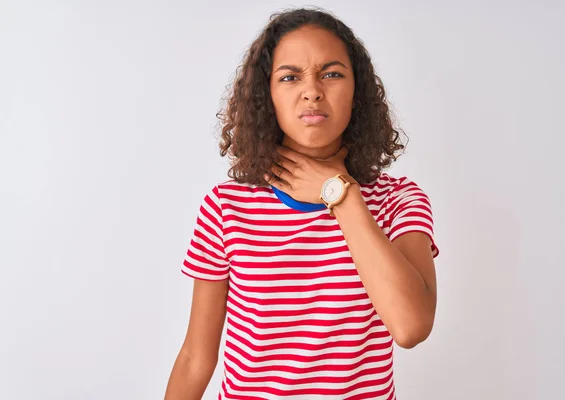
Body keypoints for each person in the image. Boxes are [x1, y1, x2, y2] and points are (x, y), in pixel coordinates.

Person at [165, 7, 439, 400]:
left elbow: (411, 327)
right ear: (268, 96)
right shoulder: (227, 208)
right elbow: (195, 356)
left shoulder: (398, 201)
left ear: (356, 93)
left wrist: (341, 196)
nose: (312, 90)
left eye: (331, 74)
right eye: (290, 77)